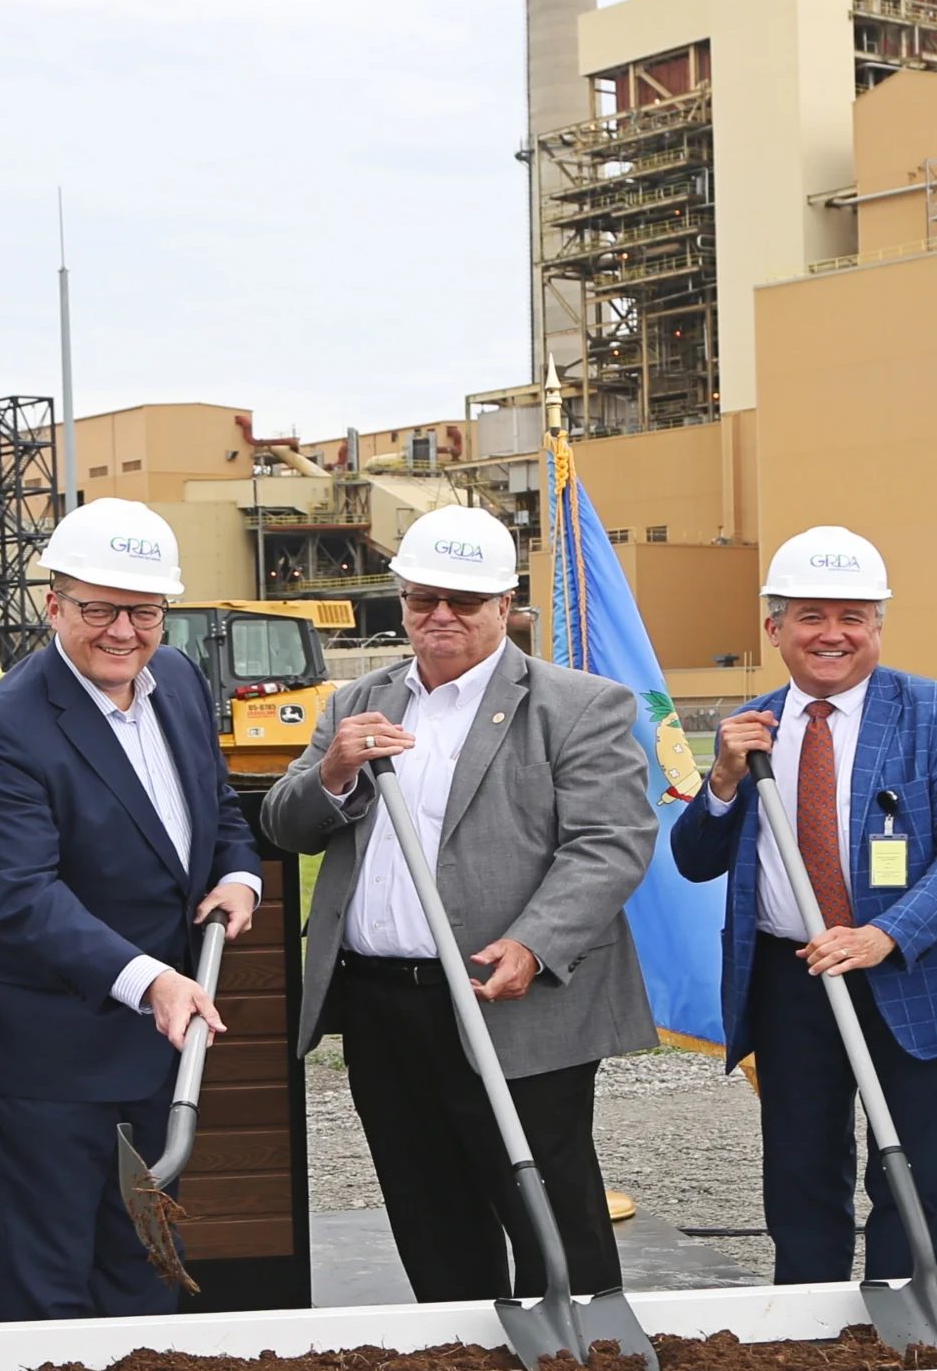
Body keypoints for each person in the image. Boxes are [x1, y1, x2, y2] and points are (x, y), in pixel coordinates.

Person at [263, 505, 658, 1302]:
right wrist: (333, 773)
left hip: (507, 997)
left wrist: (535, 943)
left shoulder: (579, 705)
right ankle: (463, 1356)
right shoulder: (356, 704)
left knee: (546, 1198)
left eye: (464, 602)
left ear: (504, 606)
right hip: (381, 1003)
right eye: (421, 600)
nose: (440, 617)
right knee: (426, 1204)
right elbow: (283, 824)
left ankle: (583, 1360)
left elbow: (610, 842)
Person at [0, 498, 263, 1322]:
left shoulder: (178, 680)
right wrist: (152, 982)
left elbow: (215, 807)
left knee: (145, 1258)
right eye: (99, 609)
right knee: (45, 1280)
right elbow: (18, 896)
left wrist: (241, 876)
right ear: (54, 605)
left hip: (152, 1040)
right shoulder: (3, 730)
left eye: (145, 610)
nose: (124, 631)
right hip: (40, 1054)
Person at [667, 526, 937, 1280]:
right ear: (775, 628)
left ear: (878, 625)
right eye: (811, 616)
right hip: (794, 982)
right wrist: (721, 779)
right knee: (800, 1170)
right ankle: (809, 1326)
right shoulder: (747, 730)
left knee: (917, 1171)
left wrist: (885, 934)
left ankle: (907, 1317)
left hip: (916, 976)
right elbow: (693, 860)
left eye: (852, 617)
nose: (832, 635)